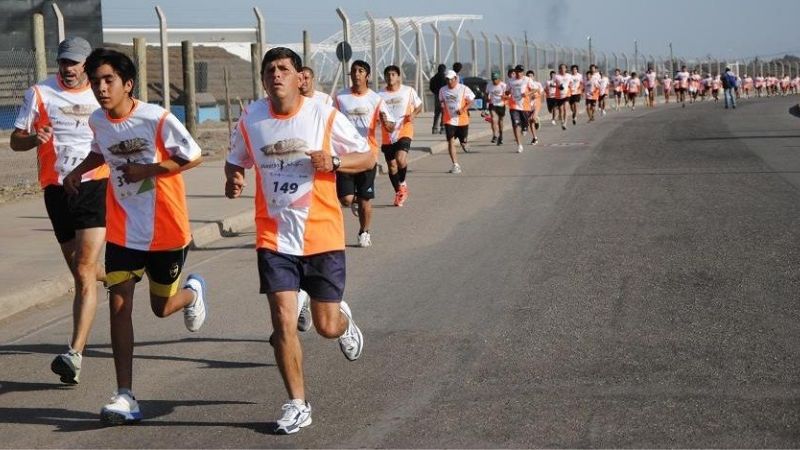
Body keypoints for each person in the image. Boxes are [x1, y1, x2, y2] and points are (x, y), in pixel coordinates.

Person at [224, 46, 372, 435]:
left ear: (297, 77)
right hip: (274, 236)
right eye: (270, 69)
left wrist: (336, 163)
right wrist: (233, 177)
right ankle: (297, 403)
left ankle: (344, 321)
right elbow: (236, 158)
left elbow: (367, 156)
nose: (277, 74)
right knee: (282, 321)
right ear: (263, 79)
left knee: (325, 326)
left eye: (284, 68)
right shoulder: (251, 118)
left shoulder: (322, 115)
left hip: (321, 234)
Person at [63, 48, 208, 425]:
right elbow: (102, 152)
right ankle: (125, 394)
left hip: (166, 228)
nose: (100, 88)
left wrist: (150, 170)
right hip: (124, 228)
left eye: (108, 80)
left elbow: (193, 156)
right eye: (95, 81)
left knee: (162, 308)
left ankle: (193, 293)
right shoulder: (98, 119)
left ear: (128, 84)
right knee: (120, 305)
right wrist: (79, 170)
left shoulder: (156, 118)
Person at [10, 36, 107, 385]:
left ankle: (74, 354)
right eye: (64, 62)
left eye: (75, 63)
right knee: (85, 270)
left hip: (95, 184)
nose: (69, 69)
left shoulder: (102, 92)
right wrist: (34, 139)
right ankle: (118, 277)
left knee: (83, 270)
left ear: (87, 64)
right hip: (56, 189)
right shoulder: (39, 93)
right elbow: (14, 140)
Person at [334, 60, 394, 248]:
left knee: (366, 198)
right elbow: (330, 120)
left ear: (367, 76)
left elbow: (390, 125)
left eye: (361, 71)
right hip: (345, 154)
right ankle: (354, 201)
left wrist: (386, 123)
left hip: (368, 154)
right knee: (346, 199)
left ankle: (364, 231)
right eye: (354, 71)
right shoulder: (340, 97)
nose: (357, 74)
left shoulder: (375, 99)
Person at [378, 65, 422, 207]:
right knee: (391, 166)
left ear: (398, 76)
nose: (390, 77)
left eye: (393, 74)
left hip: (404, 129)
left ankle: (402, 183)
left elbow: (419, 105)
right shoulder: (379, 95)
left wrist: (413, 114)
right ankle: (399, 192)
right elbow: (376, 114)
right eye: (387, 75)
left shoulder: (408, 91)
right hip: (387, 133)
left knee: (400, 159)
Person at [438, 69, 475, 173]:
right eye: (447, 80)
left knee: (463, 140)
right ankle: (455, 164)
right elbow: (441, 101)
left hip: (462, 120)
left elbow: (471, 100)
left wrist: (463, 109)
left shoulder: (463, 89)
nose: (449, 82)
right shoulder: (442, 90)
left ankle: (464, 142)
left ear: (455, 78)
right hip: (449, 120)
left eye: (451, 79)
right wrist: (442, 105)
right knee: (450, 141)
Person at [506, 66, 535, 153]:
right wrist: (508, 92)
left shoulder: (527, 80)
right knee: (515, 124)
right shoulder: (511, 81)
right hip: (514, 105)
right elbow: (507, 91)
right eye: (518, 71)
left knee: (525, 123)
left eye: (521, 71)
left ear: (523, 72)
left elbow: (535, 89)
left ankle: (525, 127)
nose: (519, 73)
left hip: (525, 106)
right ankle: (519, 145)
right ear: (515, 72)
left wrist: (527, 93)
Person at [485, 71, 507, 145]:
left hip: (501, 104)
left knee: (500, 121)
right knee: (494, 119)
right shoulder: (489, 85)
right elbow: (486, 94)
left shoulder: (503, 85)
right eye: (493, 79)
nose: (494, 81)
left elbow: (508, 96)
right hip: (492, 104)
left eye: (496, 79)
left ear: (499, 79)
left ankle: (501, 135)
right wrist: (487, 99)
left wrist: (504, 97)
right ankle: (495, 135)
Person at [429, 64, 447, 134]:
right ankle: (442, 128)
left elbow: (431, 87)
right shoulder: (445, 78)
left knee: (436, 113)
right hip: (444, 97)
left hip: (436, 96)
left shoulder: (433, 78)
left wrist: (436, 92)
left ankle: (434, 128)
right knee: (444, 112)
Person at [553, 64, 572, 130]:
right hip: (559, 96)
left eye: (564, 68)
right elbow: (552, 84)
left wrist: (571, 87)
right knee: (561, 110)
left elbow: (571, 83)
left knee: (565, 109)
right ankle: (562, 121)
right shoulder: (556, 76)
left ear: (566, 69)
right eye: (561, 68)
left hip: (567, 94)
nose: (562, 69)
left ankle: (565, 123)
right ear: (559, 69)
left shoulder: (569, 76)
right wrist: (558, 86)